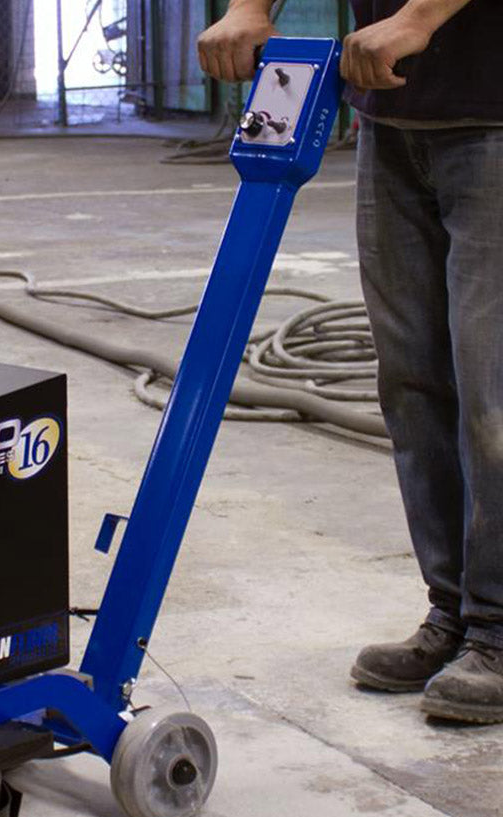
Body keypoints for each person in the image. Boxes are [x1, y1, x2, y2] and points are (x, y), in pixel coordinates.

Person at [197, 0, 503, 723]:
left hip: (493, 119)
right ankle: (453, 615)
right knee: (412, 382)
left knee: (490, 391)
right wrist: (247, 7)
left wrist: (418, 17)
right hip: (393, 120)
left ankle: (498, 629)